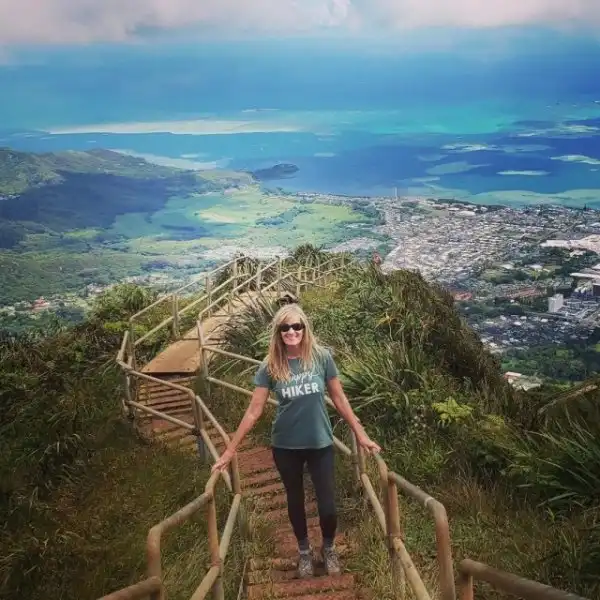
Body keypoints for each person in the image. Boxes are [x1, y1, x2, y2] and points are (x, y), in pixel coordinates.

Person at [212, 303, 381, 578]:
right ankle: (304, 552)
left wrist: (361, 434)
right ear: (278, 332)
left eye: (296, 326)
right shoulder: (270, 366)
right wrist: (230, 451)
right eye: (285, 327)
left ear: (305, 328)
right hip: (285, 445)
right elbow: (254, 411)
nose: (291, 331)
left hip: (320, 443)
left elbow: (339, 398)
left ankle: (328, 548)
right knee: (295, 500)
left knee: (327, 506)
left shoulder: (321, 357)